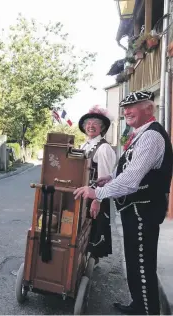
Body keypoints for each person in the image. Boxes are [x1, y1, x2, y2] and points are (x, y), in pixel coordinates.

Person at [74, 90, 173, 315]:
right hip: (135, 208)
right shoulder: (141, 133)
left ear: (149, 108)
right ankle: (139, 304)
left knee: (141, 263)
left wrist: (97, 193)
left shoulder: (151, 136)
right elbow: (128, 171)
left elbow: (132, 180)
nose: (127, 111)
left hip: (143, 210)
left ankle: (147, 310)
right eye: (125, 108)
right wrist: (111, 178)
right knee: (135, 260)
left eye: (133, 106)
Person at [78, 105, 116, 265]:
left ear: (102, 127)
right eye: (88, 123)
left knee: (94, 228)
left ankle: (90, 263)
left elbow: (104, 178)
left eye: (95, 123)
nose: (91, 126)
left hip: (96, 196)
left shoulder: (104, 148)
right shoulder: (85, 145)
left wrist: (97, 200)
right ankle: (82, 258)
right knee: (83, 228)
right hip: (85, 194)